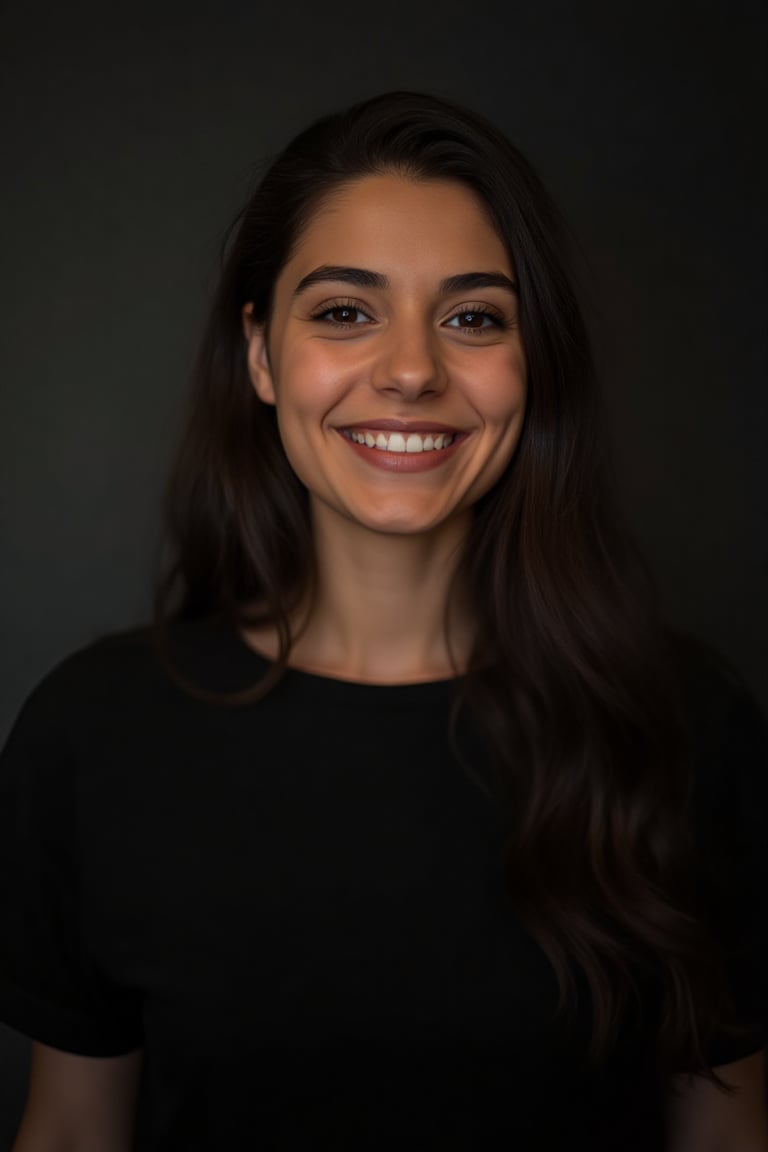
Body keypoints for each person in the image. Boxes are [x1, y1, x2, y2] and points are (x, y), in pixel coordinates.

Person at [1, 91, 766, 1151]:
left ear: (530, 367)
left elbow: (726, 1136)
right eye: (346, 312)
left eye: (473, 316)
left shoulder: (687, 726)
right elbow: (74, 1135)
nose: (411, 370)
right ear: (262, 356)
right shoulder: (91, 738)